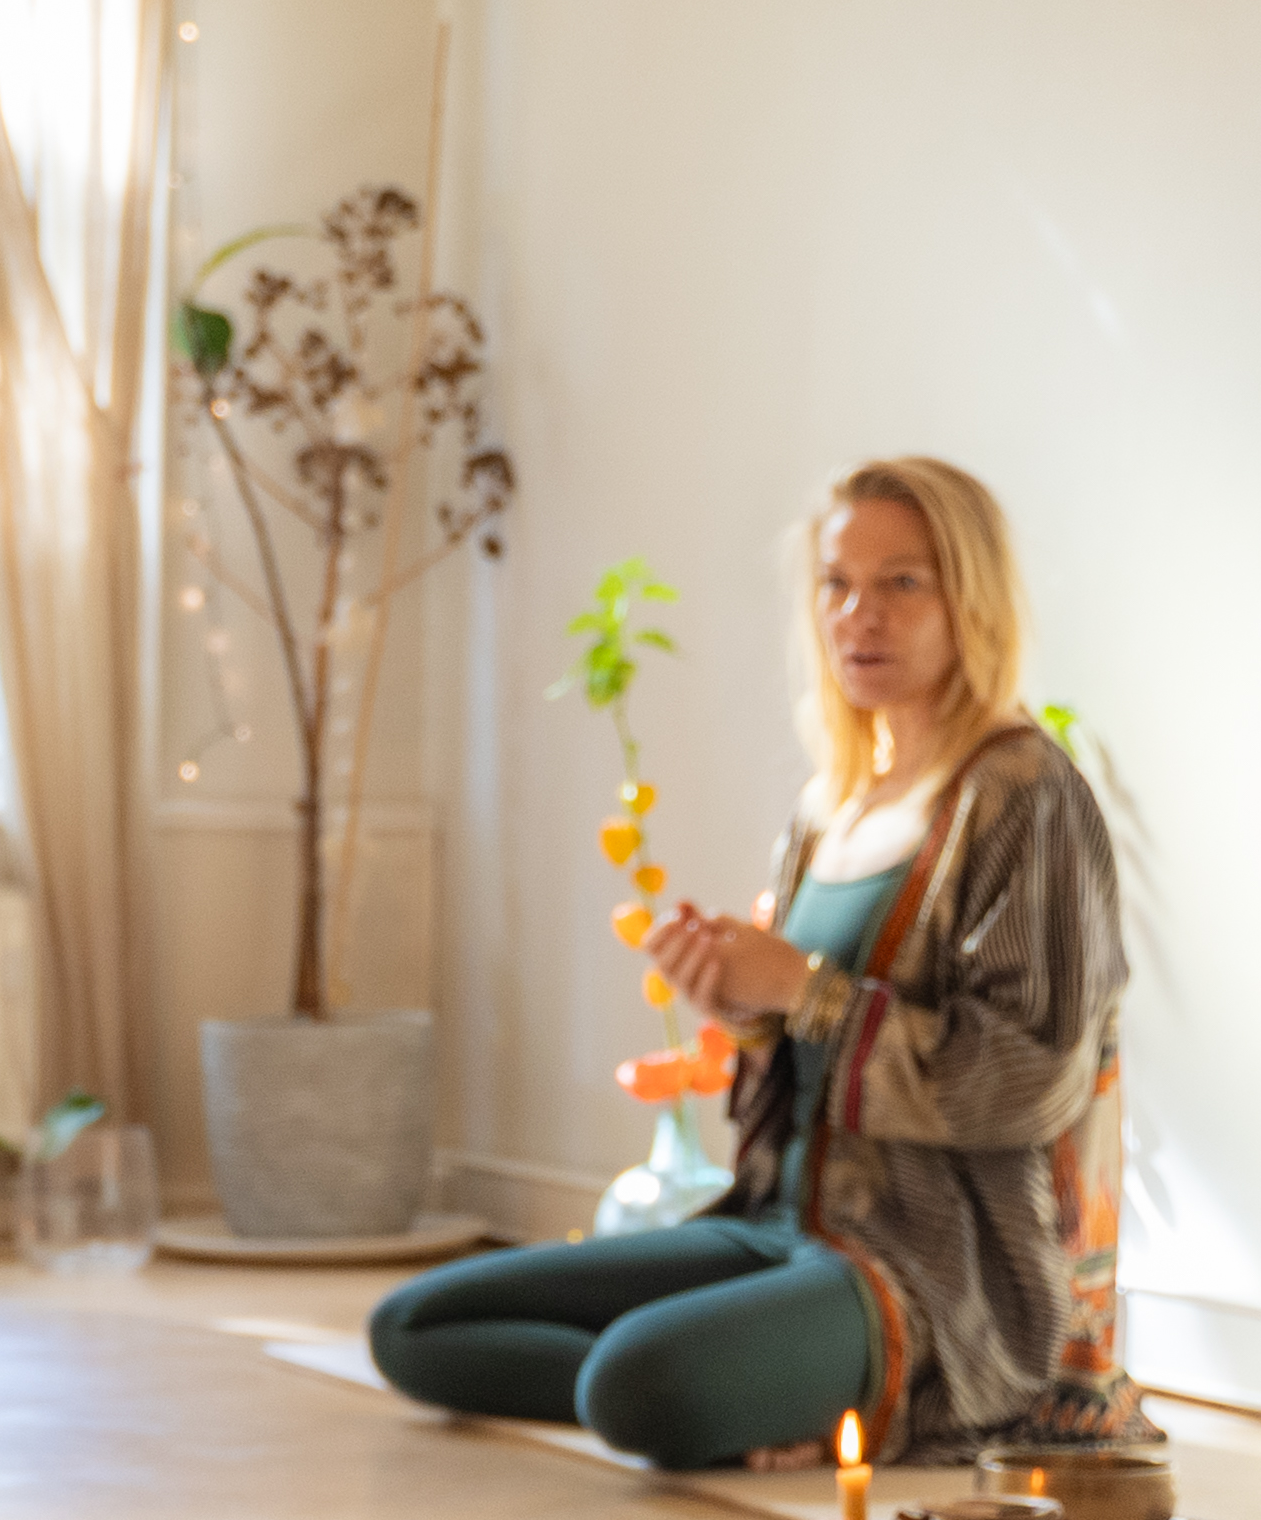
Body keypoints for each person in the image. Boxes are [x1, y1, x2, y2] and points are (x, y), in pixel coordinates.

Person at [365, 454, 1134, 1467]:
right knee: (412, 1327)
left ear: (969, 597)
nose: (860, 613)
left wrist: (803, 990)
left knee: (637, 1384)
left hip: (927, 1275)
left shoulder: (1021, 793)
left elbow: (1024, 1081)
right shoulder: (831, 806)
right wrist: (737, 1002)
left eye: (902, 581)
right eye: (836, 583)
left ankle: (786, 1384)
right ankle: (755, 1382)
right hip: (778, 1224)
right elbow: (804, 1055)